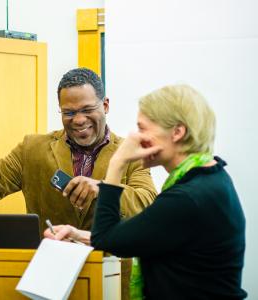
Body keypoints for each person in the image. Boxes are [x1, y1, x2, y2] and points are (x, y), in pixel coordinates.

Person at [45, 84, 247, 299]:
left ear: (177, 132)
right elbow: (134, 236)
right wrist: (76, 234)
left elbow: (107, 238)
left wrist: (117, 164)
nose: (135, 138)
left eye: (143, 129)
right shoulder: (209, 179)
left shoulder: (187, 198)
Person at [0, 67, 156, 234]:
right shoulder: (32, 149)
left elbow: (146, 203)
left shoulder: (131, 154)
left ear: (106, 105)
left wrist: (102, 189)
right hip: (50, 273)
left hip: (110, 276)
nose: (79, 120)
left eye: (87, 110)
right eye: (69, 112)